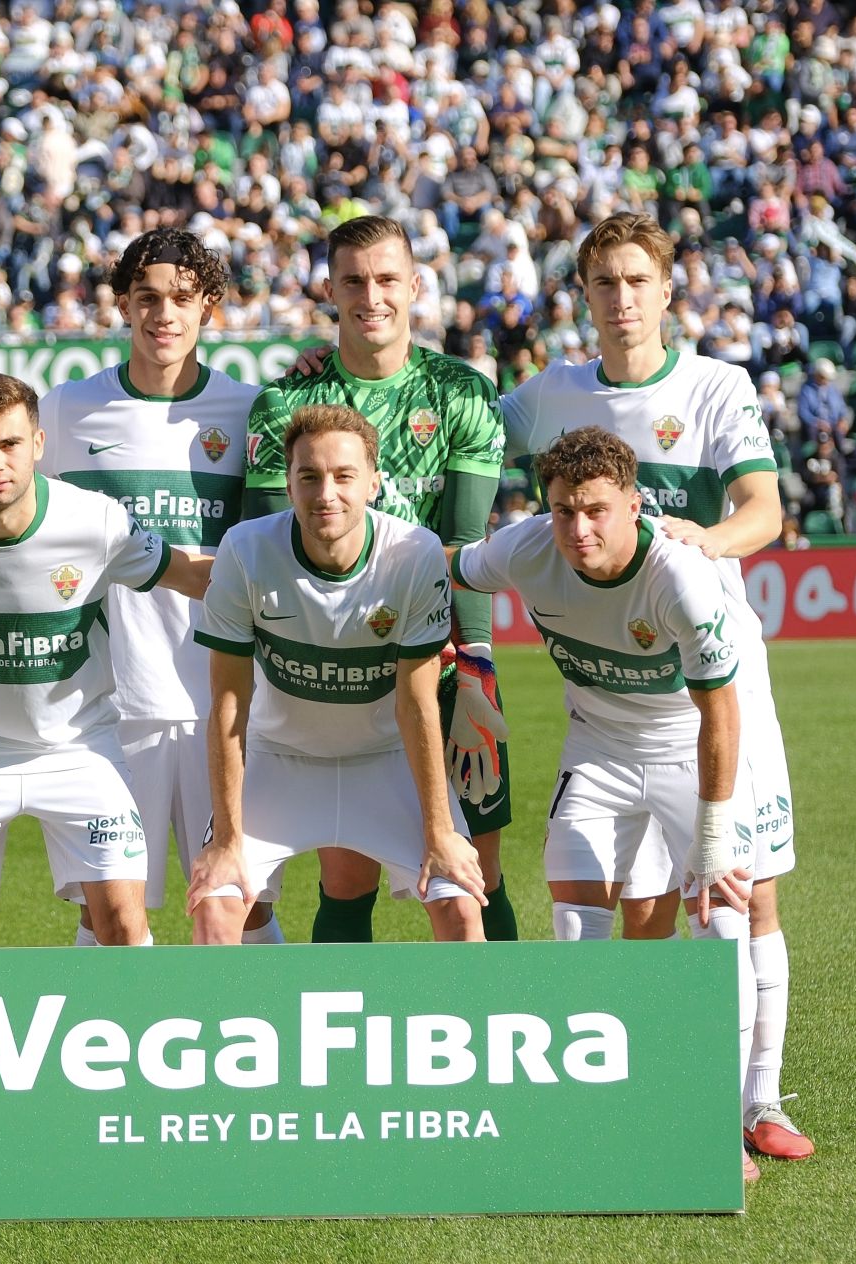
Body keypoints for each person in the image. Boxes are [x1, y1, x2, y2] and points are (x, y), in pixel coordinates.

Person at [501, 213, 810, 1163]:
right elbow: (467, 460)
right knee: (634, 906)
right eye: (605, 282)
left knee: (743, 894)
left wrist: (705, 542)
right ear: (585, 295)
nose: (622, 298)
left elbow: (765, 506)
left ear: (668, 290)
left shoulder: (715, 385)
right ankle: (635, 1088)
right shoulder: (545, 396)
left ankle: (761, 1101)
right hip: (615, 696)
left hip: (719, 682)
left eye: (639, 279)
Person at [447, 427, 759, 1183]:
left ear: (632, 503)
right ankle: (586, 1110)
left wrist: (714, 833)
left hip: (690, 751)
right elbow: (446, 567)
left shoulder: (678, 577)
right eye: (561, 510)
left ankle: (722, 1120)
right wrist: (469, 664)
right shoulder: (527, 548)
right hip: (597, 751)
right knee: (576, 915)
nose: (577, 530)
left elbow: (722, 714)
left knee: (721, 918)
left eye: (595, 510)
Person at [0, 373, 211, 949]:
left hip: (79, 749)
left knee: (122, 923)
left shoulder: (96, 521)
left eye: (10, 444)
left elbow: (189, 575)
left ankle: (113, 1037)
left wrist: (282, 572)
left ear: (39, 444)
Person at [243, 215, 517, 946]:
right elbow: (272, 551)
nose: (373, 296)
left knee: (476, 870)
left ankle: (503, 1043)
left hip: (445, 657)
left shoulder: (460, 393)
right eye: (354, 280)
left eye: (388, 278)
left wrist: (479, 671)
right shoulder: (283, 405)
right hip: (334, 666)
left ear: (415, 285)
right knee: (347, 873)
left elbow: (462, 546)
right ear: (329, 289)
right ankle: (344, 1052)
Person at [38, 228, 263, 943]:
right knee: (105, 914)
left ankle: (253, 1048)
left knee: (241, 907)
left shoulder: (251, 410)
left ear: (210, 308)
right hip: (106, 705)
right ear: (123, 308)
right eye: (147, 299)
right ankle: (95, 1051)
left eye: (182, 299)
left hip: (223, 701)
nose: (164, 315)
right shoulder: (66, 411)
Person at [189, 404, 486, 944]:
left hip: (385, 758)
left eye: (344, 476)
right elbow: (229, 704)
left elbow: (417, 705)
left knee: (461, 907)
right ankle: (237, 1030)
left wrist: (440, 830)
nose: (326, 493)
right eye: (309, 476)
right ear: (288, 482)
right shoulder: (246, 549)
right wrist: (227, 839)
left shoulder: (413, 553)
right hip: (278, 757)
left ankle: (462, 1028)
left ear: (374, 482)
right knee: (215, 906)